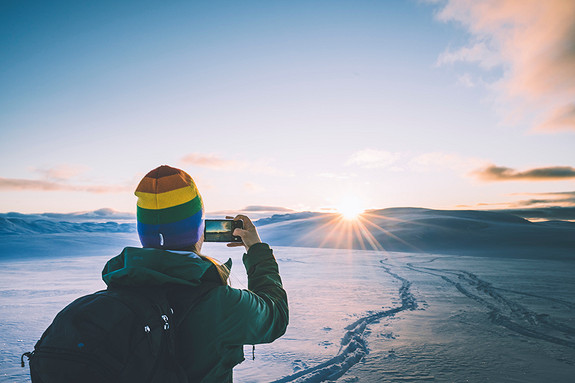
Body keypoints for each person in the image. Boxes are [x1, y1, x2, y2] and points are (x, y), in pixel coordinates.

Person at [103, 165, 289, 382]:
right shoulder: (223, 304)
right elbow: (275, 315)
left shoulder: (111, 300)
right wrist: (257, 250)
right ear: (198, 230)